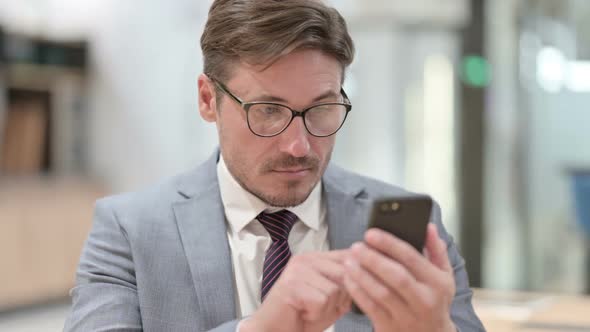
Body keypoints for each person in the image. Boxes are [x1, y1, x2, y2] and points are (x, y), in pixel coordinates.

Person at [64, 0, 485, 331]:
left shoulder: (413, 224)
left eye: (322, 109)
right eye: (267, 111)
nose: (299, 146)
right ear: (208, 100)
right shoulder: (129, 229)